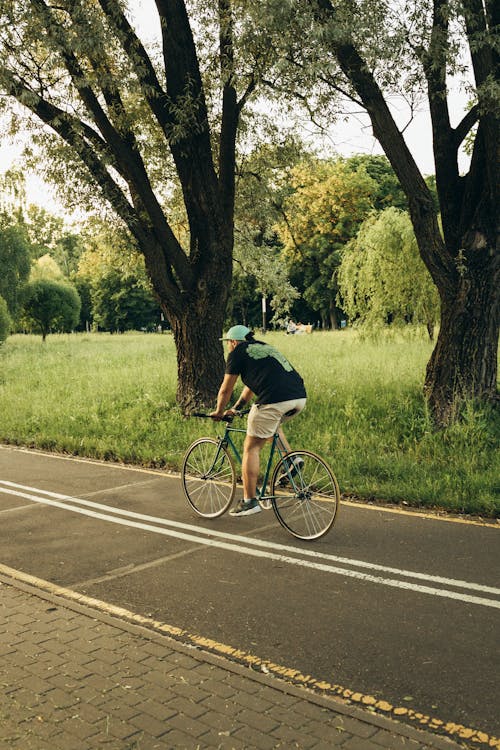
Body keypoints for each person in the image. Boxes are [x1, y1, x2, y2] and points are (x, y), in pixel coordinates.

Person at [210, 324, 307, 516]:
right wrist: (236, 408)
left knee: (251, 447)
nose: (229, 346)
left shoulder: (237, 353)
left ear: (233, 342)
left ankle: (249, 501)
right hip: (299, 397)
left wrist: (219, 411)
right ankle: (291, 460)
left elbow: (225, 389)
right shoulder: (264, 347)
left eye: (228, 343)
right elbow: (252, 386)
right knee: (269, 426)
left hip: (274, 399)